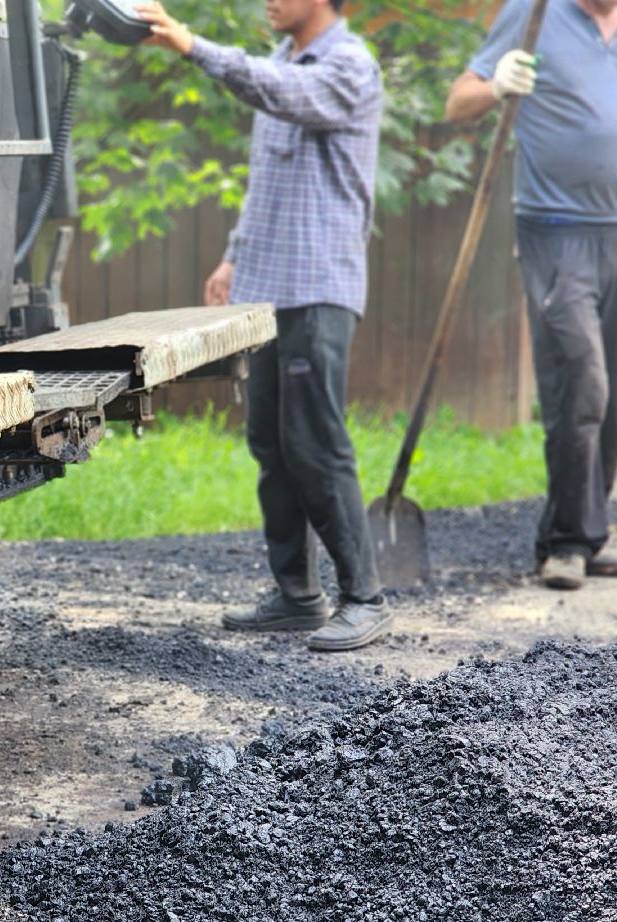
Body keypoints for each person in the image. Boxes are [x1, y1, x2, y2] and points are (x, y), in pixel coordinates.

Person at [135, 0, 392, 651]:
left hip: (317, 288)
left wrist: (196, 47)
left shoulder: (348, 67)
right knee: (271, 445)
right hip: (267, 288)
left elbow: (278, 92)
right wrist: (233, 254)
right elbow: (266, 185)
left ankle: (364, 597)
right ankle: (298, 594)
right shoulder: (282, 59)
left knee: (314, 443)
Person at [447, 0, 617, 590]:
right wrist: (496, 85)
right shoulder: (532, 15)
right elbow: (459, 101)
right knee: (581, 384)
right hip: (553, 232)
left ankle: (583, 532)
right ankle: (564, 543)